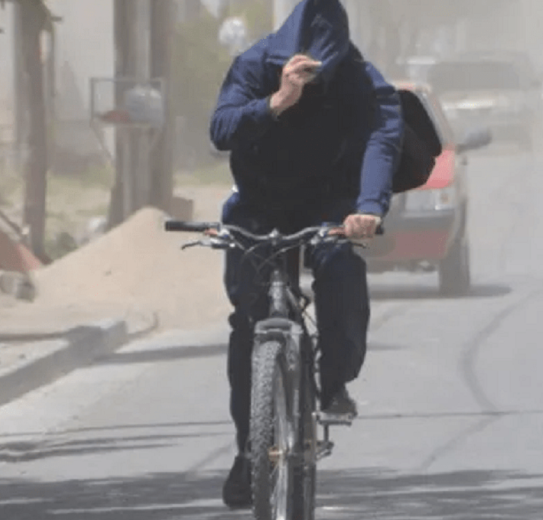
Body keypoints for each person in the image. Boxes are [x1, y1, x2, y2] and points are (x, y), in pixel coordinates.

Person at [208, 0, 403, 509]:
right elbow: (221, 129)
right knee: (247, 322)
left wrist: (367, 207)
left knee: (340, 266)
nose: (313, 77)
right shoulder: (254, 65)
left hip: (327, 204)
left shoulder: (359, 78)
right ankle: (248, 451)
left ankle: (334, 378)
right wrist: (277, 101)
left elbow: (382, 139)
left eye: (322, 70)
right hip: (258, 203)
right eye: (304, 68)